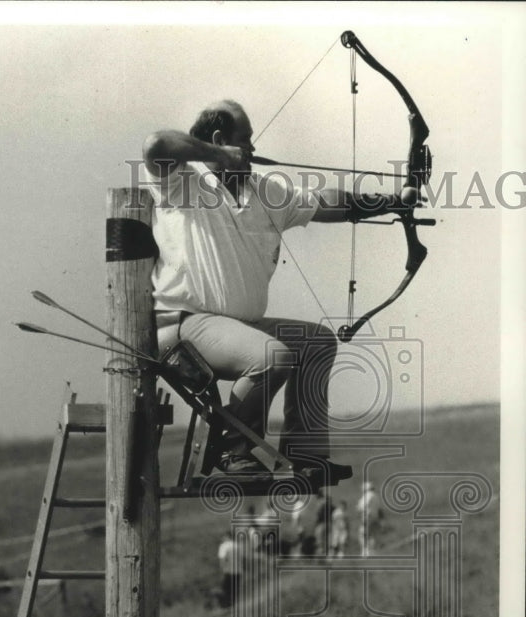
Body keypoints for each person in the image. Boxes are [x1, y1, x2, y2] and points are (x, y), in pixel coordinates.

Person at [143, 100, 406, 489]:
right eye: (245, 140)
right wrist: (218, 157)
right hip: (183, 326)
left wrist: (390, 201)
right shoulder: (181, 182)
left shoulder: (264, 192)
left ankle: (305, 454)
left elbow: (325, 201)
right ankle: (233, 451)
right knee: (272, 356)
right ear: (219, 140)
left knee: (316, 343)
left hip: (236, 328)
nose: (251, 149)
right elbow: (155, 144)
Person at [217, 529, 244, 608]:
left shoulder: (224, 546)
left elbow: (222, 559)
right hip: (238, 570)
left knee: (226, 588)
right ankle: (233, 605)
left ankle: (226, 605)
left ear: (227, 537)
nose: (222, 538)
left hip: (229, 570)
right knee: (235, 588)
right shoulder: (237, 545)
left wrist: (222, 569)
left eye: (223, 537)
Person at [356, 481, 383, 556]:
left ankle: (365, 551)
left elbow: (361, 507)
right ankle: (373, 551)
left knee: (363, 534)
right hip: (375, 517)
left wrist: (359, 511)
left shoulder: (367, 496)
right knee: (373, 534)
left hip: (367, 517)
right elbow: (379, 509)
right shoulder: (376, 496)